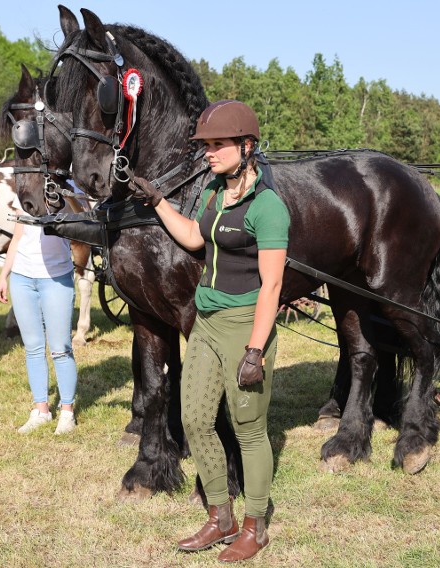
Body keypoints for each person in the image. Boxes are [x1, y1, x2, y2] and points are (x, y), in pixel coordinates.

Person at [130, 100, 290, 563]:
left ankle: (255, 525)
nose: (209, 153)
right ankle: (221, 516)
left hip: (245, 327)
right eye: (206, 146)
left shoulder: (269, 208)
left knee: (249, 429)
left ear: (246, 146)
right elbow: (195, 239)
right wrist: (158, 201)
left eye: (218, 145)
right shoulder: (215, 197)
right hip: (205, 323)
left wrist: (256, 350)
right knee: (196, 420)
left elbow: (273, 284)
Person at [0, 196, 78, 435]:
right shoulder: (25, 195)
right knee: (32, 347)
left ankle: (67, 412)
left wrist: (62, 199)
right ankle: (41, 409)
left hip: (56, 278)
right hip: (22, 278)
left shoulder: (64, 196)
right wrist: (4, 276)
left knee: (61, 348)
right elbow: (18, 238)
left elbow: (74, 228)